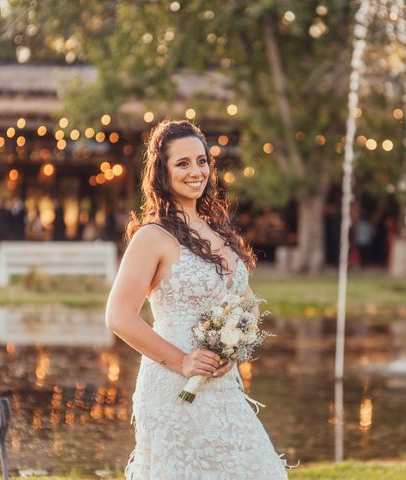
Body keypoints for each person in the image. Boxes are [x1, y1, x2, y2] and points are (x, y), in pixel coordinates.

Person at [105, 120, 289, 479]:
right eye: (183, 163)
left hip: (223, 381)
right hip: (174, 384)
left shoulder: (217, 231)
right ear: (162, 171)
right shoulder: (152, 236)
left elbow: (246, 302)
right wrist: (182, 361)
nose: (196, 171)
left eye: (202, 161)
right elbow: (119, 317)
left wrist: (232, 343)